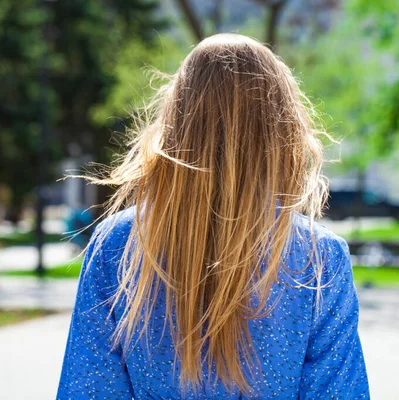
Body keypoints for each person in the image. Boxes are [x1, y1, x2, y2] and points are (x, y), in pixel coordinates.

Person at [57, 33, 369, 399]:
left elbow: (89, 388)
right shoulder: (319, 258)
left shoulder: (118, 244)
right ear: (282, 131)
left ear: (176, 124)